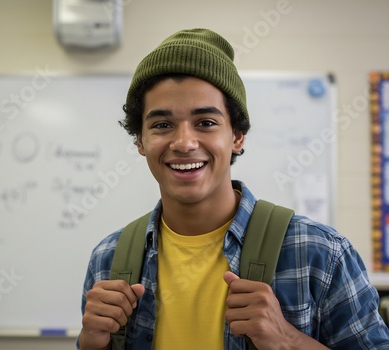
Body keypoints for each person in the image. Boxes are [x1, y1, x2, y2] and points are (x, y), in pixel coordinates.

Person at [77, 28, 389, 349]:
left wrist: (288, 340)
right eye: (162, 125)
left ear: (237, 137)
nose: (184, 142)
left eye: (206, 123)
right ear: (140, 141)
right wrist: (89, 343)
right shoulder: (109, 259)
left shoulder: (322, 254)